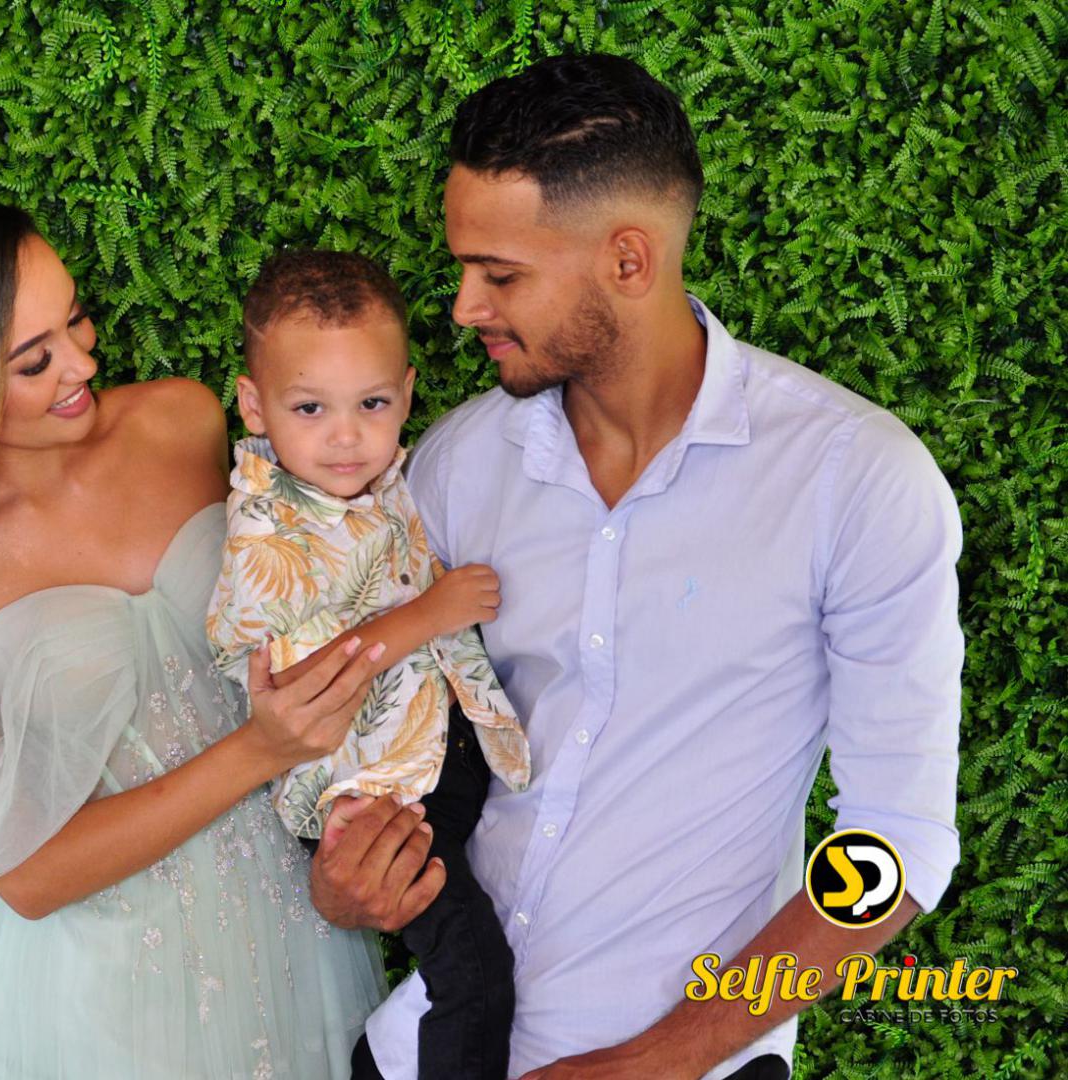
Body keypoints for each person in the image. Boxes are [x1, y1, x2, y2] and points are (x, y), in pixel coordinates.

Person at [309, 54, 964, 1080]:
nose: (463, 307)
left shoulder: (856, 481)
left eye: (499, 275)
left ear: (627, 260)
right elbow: (395, 739)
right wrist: (344, 876)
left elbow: (895, 845)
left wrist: (651, 1063)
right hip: (413, 1054)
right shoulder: (455, 464)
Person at [0, 184, 391, 1078]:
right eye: (33, 361)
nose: (80, 363)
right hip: (111, 996)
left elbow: (324, 589)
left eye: (74, 320)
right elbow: (29, 877)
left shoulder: (182, 421)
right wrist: (259, 752)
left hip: (303, 925)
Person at [206, 249, 532, 1079]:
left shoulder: (388, 484)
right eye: (309, 407)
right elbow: (296, 684)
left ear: (407, 395)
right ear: (254, 405)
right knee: (472, 975)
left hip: (438, 762)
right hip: (372, 805)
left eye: (372, 403)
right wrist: (430, 612)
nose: (345, 434)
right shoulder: (265, 528)